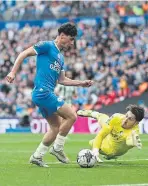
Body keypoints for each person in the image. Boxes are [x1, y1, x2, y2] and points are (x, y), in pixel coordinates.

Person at [6, 22, 93, 167]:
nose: (72, 43)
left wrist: (81, 83)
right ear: (62, 36)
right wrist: (13, 72)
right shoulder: (46, 46)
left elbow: (62, 80)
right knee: (72, 116)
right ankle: (58, 148)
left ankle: (37, 156)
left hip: (44, 94)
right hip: (43, 92)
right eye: (71, 39)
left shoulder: (61, 58)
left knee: (55, 128)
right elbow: (24, 53)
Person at [77, 104, 144, 162]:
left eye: (130, 119)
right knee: (103, 119)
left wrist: (133, 143)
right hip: (110, 135)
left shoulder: (134, 131)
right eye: (126, 115)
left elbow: (129, 141)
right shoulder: (116, 117)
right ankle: (92, 113)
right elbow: (101, 134)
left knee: (104, 150)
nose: (125, 120)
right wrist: (95, 150)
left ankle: (110, 156)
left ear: (136, 123)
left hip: (113, 149)